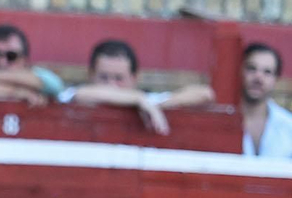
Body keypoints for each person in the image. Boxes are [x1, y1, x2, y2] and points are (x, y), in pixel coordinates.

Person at [60, 39, 214, 135]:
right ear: (91, 75)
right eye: (104, 77)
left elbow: (205, 93)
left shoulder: (147, 101)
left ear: (134, 78)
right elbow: (81, 94)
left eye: (119, 78)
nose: (111, 85)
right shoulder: (75, 94)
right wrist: (138, 99)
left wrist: (158, 105)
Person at [240, 42, 292, 157]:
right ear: (239, 72)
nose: (258, 77)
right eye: (251, 68)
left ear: (276, 80)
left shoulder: (289, 126)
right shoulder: (221, 121)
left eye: (267, 72)